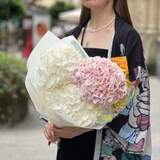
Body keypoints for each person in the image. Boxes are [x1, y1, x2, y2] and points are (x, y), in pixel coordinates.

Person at [43, 0, 151, 160]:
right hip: (70, 149)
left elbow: (135, 100)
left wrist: (82, 128)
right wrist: (53, 124)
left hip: (107, 150)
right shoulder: (71, 37)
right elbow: (55, 90)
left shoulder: (127, 38)